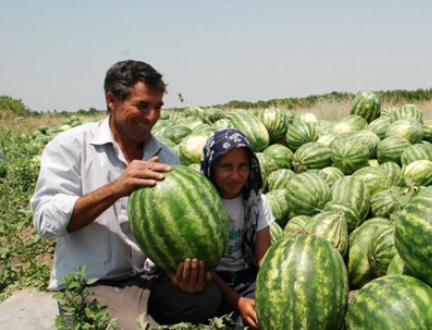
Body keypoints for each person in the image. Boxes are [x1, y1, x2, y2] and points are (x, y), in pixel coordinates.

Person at [31, 60, 222, 329]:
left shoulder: (165, 157)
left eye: (158, 107)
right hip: (97, 282)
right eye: (142, 105)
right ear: (112, 100)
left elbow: (175, 233)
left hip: (149, 278)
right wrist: (116, 188)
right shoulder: (71, 147)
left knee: (208, 298)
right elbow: (45, 222)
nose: (152, 116)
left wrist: (178, 271)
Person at [200, 128, 275, 330]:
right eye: (226, 166)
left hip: (245, 278)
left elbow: (263, 259)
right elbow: (203, 266)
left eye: (242, 166)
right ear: (212, 167)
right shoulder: (200, 205)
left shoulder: (256, 202)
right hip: (210, 281)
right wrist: (237, 301)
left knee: (269, 314)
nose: (235, 175)